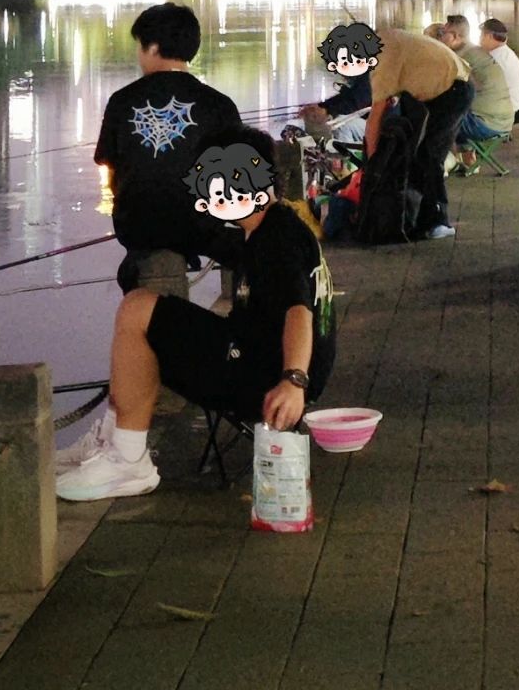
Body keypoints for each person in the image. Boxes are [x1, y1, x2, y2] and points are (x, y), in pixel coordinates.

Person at [56, 129, 335, 501]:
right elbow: (214, 241)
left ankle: (127, 459)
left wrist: (293, 381)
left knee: (138, 309)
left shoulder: (277, 241)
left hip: (268, 381)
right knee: (145, 320)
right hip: (261, 361)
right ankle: (114, 440)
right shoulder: (271, 227)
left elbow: (298, 312)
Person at [94, 4, 245, 290]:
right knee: (248, 247)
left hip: (139, 228)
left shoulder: (121, 101)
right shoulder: (219, 104)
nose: (139, 55)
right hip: (202, 225)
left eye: (139, 47)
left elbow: (107, 161)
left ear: (152, 48)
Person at [362, 26, 473, 239]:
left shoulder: (383, 59)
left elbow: (374, 118)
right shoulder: (389, 36)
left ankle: (438, 220)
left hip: (452, 92)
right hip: (448, 84)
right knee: (418, 154)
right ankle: (418, 217)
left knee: (430, 155)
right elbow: (410, 70)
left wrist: (373, 162)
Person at [431, 17, 513, 171]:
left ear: (455, 36)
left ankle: (444, 163)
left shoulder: (459, 58)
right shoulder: (474, 52)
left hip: (486, 123)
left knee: (435, 117)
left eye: (443, 32)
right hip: (503, 120)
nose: (439, 37)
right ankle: (467, 159)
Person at [297, 21, 382, 149]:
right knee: (321, 122)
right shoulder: (363, 72)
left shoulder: (376, 72)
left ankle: (346, 165)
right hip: (368, 122)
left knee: (343, 127)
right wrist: (321, 107)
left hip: (384, 128)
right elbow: (347, 96)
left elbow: (359, 102)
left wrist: (327, 111)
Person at [480, 18, 519, 122]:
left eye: (481, 36)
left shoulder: (495, 59)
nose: (480, 41)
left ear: (489, 36)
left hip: (503, 113)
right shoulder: (505, 54)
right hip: (513, 109)